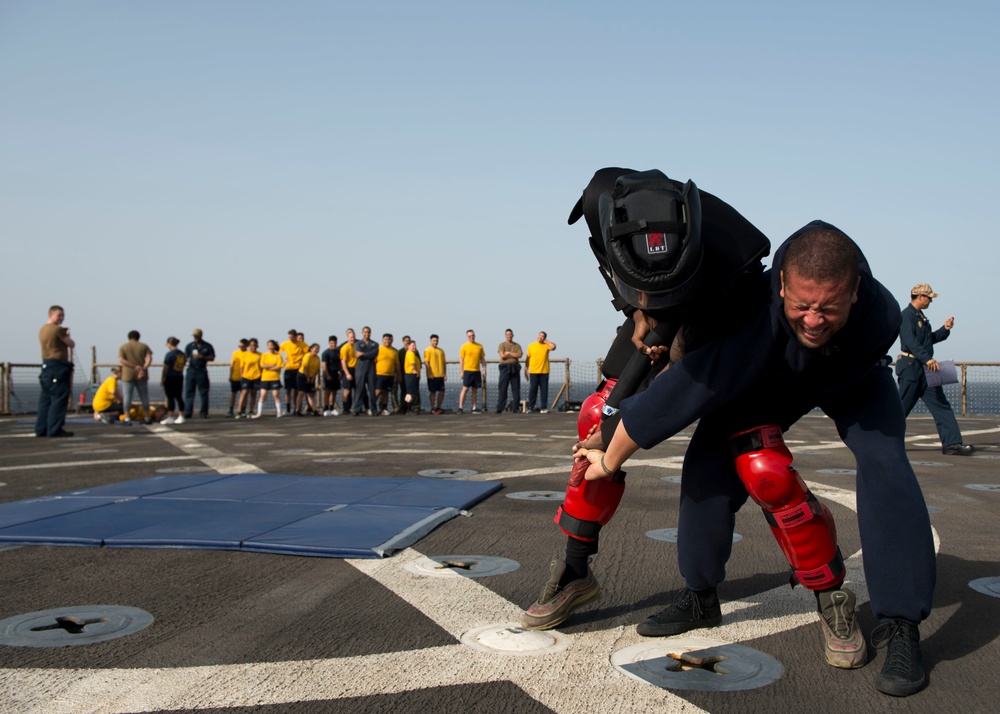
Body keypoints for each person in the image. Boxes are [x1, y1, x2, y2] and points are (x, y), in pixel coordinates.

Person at [566, 222, 936, 698]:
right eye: (801, 306)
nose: (814, 319)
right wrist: (613, 450)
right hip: (771, 377)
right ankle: (700, 594)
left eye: (829, 307)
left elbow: (841, 358)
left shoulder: (882, 316)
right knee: (709, 464)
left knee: (887, 466)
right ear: (781, 284)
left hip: (854, 379)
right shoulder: (758, 314)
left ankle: (902, 624)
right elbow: (691, 385)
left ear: (855, 292)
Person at [897, 284, 974, 455]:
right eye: (929, 297)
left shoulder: (921, 317)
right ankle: (883, 442)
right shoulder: (906, 316)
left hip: (926, 369)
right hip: (912, 368)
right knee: (900, 409)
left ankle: (952, 444)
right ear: (920, 296)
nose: (931, 301)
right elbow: (910, 342)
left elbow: (927, 340)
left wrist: (945, 329)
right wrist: (928, 358)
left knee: (941, 406)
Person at [35, 305, 75, 438]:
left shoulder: (42, 329)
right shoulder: (58, 330)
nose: (62, 318)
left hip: (46, 364)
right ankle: (55, 429)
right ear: (51, 315)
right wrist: (67, 335)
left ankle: (41, 428)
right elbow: (71, 344)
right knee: (59, 398)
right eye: (59, 315)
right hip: (58, 364)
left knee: (45, 399)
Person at [118, 330, 153, 425]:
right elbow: (149, 358)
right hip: (142, 375)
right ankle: (147, 417)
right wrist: (143, 368)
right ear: (139, 337)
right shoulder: (144, 346)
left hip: (127, 374)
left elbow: (121, 359)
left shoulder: (123, 347)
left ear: (129, 337)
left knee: (127, 398)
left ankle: (127, 418)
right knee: (144, 397)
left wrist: (133, 366)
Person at [184, 329, 215, 418]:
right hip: (191, 370)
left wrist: (202, 357)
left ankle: (203, 412)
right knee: (189, 392)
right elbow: (185, 356)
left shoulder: (207, 346)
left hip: (201, 370)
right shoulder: (190, 346)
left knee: (203, 392)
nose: (195, 338)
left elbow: (212, 357)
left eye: (197, 336)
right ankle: (188, 412)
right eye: (194, 336)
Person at [524, 332, 556, 413]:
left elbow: (553, 347)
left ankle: (543, 407)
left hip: (544, 371)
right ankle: (531, 407)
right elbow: (527, 358)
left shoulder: (546, 346)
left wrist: (546, 341)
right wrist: (526, 369)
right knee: (533, 390)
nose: (540, 337)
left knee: (544, 390)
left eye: (542, 336)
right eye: (539, 335)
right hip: (534, 371)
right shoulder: (531, 345)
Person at [457, 329, 487, 414]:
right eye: (470, 336)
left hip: (476, 371)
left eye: (473, 335)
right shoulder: (464, 346)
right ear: (467, 336)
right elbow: (461, 360)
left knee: (475, 390)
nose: (472, 337)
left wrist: (484, 369)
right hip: (467, 370)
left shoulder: (479, 346)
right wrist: (461, 371)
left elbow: (482, 359)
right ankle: (460, 407)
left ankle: (474, 407)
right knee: (465, 389)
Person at [353, 326, 378, 416]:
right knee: (359, 390)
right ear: (362, 333)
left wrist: (363, 353)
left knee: (372, 390)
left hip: (371, 369)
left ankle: (373, 409)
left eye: (368, 332)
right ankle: (357, 409)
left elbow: (374, 354)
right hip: (361, 369)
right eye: (365, 332)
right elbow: (357, 354)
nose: (367, 334)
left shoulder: (375, 344)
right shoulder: (358, 344)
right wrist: (366, 354)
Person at [496, 329, 523, 414]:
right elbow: (502, 356)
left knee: (516, 389)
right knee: (503, 388)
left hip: (515, 367)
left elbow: (519, 355)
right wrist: (512, 354)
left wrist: (509, 353)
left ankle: (516, 408)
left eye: (510, 334)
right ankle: (500, 408)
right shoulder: (502, 345)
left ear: (513, 335)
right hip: (504, 367)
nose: (509, 336)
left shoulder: (517, 345)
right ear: (505, 335)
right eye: (507, 334)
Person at [256, 339, 284, 418]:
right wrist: (272, 365)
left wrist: (268, 366)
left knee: (275, 395)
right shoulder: (264, 355)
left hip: (274, 378)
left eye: (272, 345)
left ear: (274, 346)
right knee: (263, 395)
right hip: (265, 378)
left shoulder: (278, 355)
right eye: (269, 345)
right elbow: (262, 365)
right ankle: (259, 412)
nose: (270, 346)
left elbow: (279, 366)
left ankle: (279, 412)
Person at [281, 329, 307, 414]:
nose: (290, 339)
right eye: (289, 337)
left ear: (296, 336)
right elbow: (276, 352)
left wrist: (302, 361)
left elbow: (308, 354)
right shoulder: (285, 344)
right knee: (288, 390)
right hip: (288, 369)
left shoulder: (302, 344)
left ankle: (296, 408)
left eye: (292, 337)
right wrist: (282, 362)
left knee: (297, 390)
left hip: (298, 369)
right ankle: (288, 408)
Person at [161, 337, 186, 425]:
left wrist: (163, 379)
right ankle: (181, 415)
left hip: (170, 377)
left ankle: (170, 416)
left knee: (170, 397)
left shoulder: (169, 354)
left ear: (169, 344)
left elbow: (166, 367)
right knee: (179, 396)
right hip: (179, 376)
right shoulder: (182, 354)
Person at [375, 333, 401, 416]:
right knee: (378, 391)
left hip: (390, 375)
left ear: (392, 340)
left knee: (386, 393)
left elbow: (397, 364)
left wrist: (399, 375)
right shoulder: (378, 349)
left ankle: (384, 409)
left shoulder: (394, 351)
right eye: (385, 339)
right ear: (382, 340)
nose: (387, 341)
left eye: (389, 339)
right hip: (379, 374)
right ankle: (372, 407)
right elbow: (373, 362)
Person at [236, 339, 262, 419]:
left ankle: (251, 410)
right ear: (249, 346)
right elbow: (241, 367)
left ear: (257, 345)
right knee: (244, 393)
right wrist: (241, 376)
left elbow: (262, 366)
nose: (253, 347)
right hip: (246, 377)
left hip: (256, 376)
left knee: (253, 394)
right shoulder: (245, 354)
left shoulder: (260, 355)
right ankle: (239, 411)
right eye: (251, 345)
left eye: (254, 345)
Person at [295, 343, 322, 415]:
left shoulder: (317, 358)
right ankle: (297, 410)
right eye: (315, 348)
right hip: (303, 375)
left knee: (310, 394)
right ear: (311, 349)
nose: (317, 350)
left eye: (318, 349)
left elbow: (317, 369)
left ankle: (314, 410)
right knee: (301, 393)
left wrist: (313, 378)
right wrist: (307, 378)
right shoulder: (307, 356)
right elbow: (305, 368)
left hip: (311, 376)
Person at [424, 334, 447, 414]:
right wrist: (429, 373)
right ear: (430, 341)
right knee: (432, 392)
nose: (435, 342)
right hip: (432, 376)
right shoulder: (427, 350)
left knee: (442, 392)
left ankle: (439, 407)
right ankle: (433, 408)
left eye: (436, 340)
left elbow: (444, 363)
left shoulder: (441, 351)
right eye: (434, 341)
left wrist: (445, 374)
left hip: (440, 375)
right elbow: (426, 362)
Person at [227, 339, 248, 418]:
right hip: (235, 377)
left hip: (245, 377)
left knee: (244, 394)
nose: (240, 347)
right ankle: (231, 410)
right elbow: (232, 365)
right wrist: (230, 375)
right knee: (233, 393)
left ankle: (242, 410)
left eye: (242, 346)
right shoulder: (235, 353)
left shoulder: (248, 353)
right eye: (239, 346)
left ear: (246, 345)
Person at [321, 335, 342, 416]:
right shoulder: (325, 353)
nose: (333, 344)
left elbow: (340, 364)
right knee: (327, 392)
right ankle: (325, 408)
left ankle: (332, 408)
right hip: (328, 374)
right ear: (329, 343)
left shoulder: (338, 352)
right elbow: (324, 365)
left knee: (334, 392)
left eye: (334, 343)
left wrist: (341, 373)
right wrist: (327, 375)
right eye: (331, 343)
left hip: (336, 374)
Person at [401, 340, 422, 415]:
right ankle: (408, 409)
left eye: (415, 345)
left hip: (412, 375)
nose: (414, 347)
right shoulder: (410, 353)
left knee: (412, 393)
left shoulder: (413, 353)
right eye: (413, 345)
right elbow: (412, 363)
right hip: (411, 374)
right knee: (409, 393)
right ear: (408, 346)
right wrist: (416, 371)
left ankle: (408, 408)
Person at [340, 328, 358, 415]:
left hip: (357, 369)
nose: (352, 339)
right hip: (348, 369)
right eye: (350, 337)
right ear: (347, 338)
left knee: (357, 390)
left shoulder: (357, 346)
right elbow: (343, 362)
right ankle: (345, 408)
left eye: (353, 337)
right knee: (346, 390)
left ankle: (355, 407)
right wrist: (347, 374)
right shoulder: (344, 348)